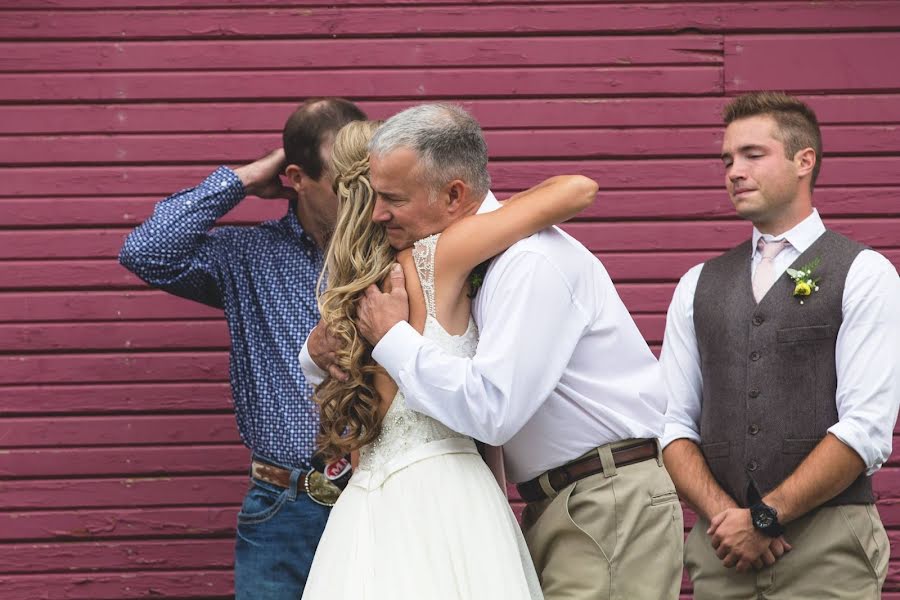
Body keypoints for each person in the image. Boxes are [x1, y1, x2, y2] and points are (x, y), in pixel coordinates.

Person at [304, 103, 684, 599]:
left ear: (454, 194)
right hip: (532, 502)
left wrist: (390, 340)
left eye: (394, 198)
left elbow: (494, 411)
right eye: (377, 197)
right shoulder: (432, 268)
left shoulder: (526, 260)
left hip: (605, 494)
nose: (381, 213)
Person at [119, 98, 366, 599]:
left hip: (377, 498)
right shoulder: (248, 256)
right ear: (297, 178)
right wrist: (247, 178)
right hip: (283, 507)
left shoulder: (391, 248)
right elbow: (145, 251)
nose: (361, 198)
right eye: (344, 184)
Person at [660, 91, 900, 599]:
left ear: (803, 161)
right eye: (727, 159)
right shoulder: (696, 283)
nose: (734, 171)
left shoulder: (864, 273)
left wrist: (766, 518)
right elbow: (672, 424)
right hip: (722, 550)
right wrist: (730, 518)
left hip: (827, 546)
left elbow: (866, 429)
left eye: (753, 154)